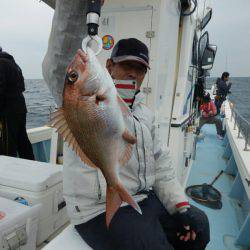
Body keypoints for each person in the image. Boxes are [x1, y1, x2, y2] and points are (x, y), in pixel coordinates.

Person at [42, 2, 210, 249]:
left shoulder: (145, 114)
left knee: (199, 226)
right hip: (96, 209)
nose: (133, 74)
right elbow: (57, 66)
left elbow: (161, 164)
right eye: (126, 66)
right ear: (109, 66)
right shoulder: (77, 99)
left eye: (139, 69)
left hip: (143, 197)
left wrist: (180, 205)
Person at [0, 47, 34, 160]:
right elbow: (22, 86)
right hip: (20, 109)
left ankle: (7, 174)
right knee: (23, 142)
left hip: (7, 112)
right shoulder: (12, 63)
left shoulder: (1, 64)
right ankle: (33, 169)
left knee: (7, 146)